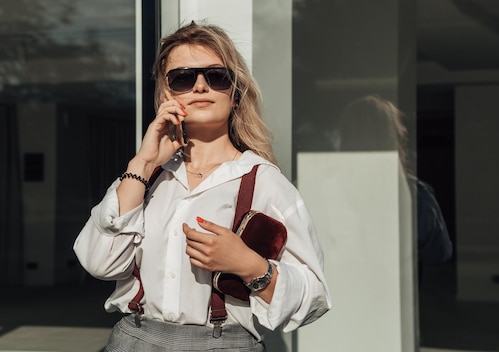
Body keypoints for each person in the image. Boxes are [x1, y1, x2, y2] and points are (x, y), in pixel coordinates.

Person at [73, 21, 330, 351]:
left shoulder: (263, 180)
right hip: (133, 340)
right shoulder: (145, 176)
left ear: (234, 94)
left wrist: (249, 265)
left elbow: (314, 297)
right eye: (183, 78)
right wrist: (141, 164)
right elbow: (99, 263)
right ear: (166, 94)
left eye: (216, 76)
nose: (199, 87)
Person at [336, 95, 452, 265]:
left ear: (345, 140)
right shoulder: (415, 194)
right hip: (393, 289)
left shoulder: (325, 190)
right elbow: (439, 252)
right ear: (393, 138)